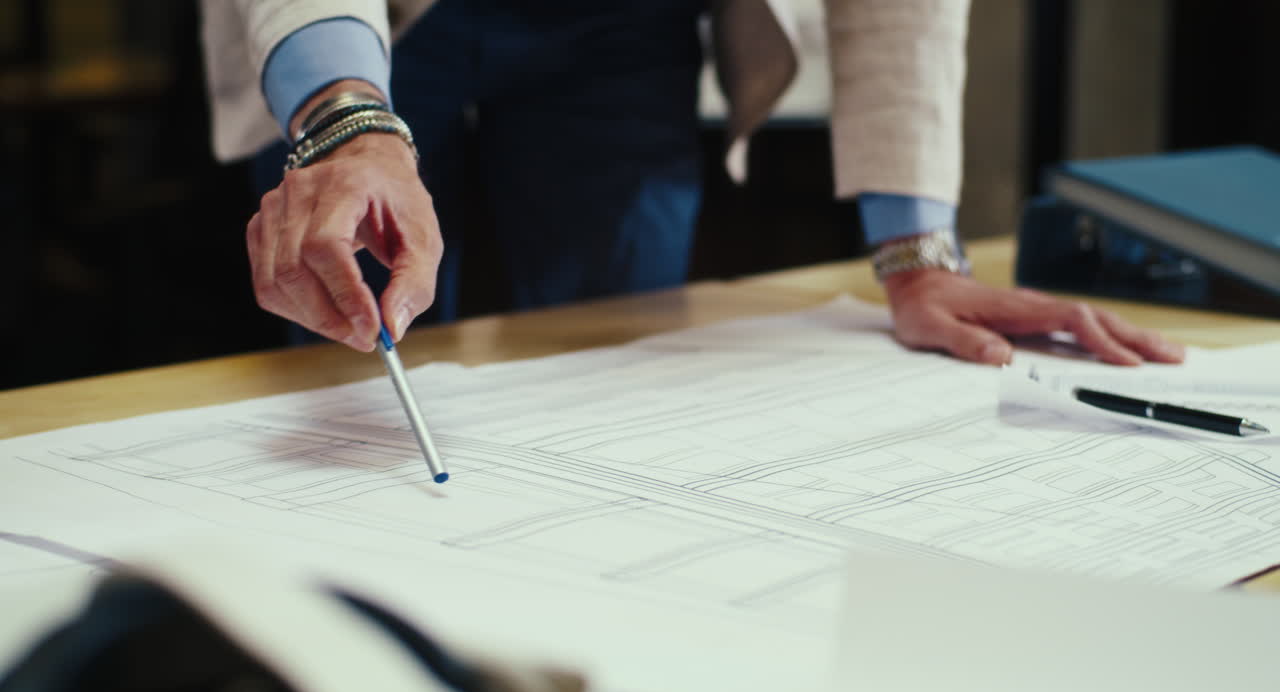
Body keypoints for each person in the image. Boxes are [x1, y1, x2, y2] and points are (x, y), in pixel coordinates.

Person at [200, 0, 1185, 366]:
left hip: (625, 25)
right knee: (346, 321)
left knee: (615, 348)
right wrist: (345, 120)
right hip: (365, 21)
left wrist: (916, 253)